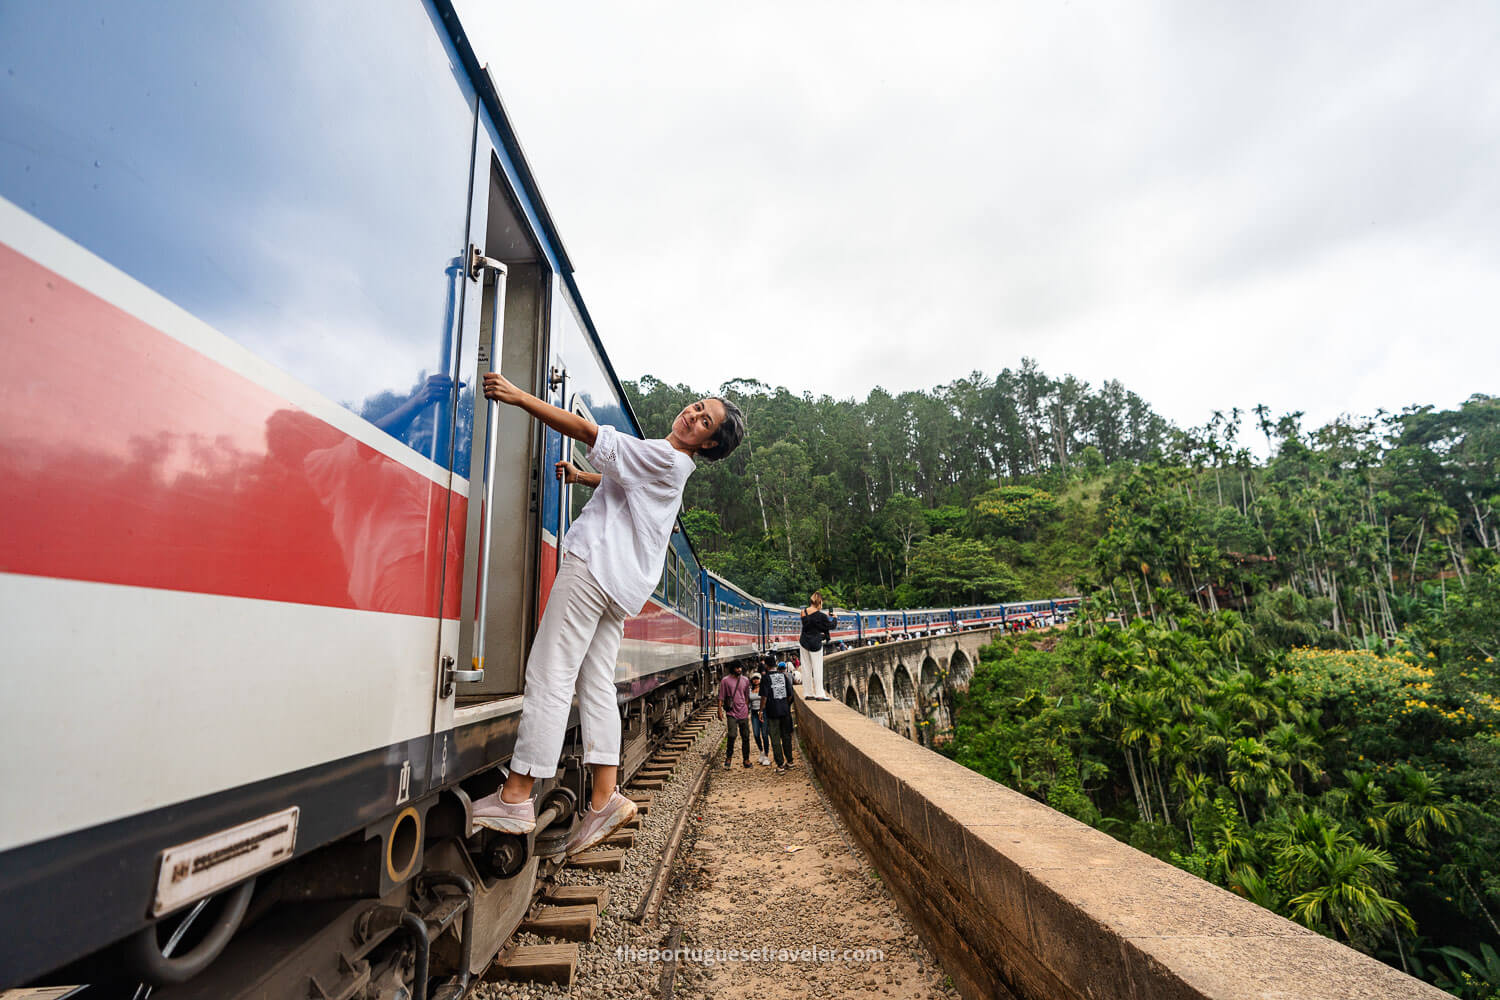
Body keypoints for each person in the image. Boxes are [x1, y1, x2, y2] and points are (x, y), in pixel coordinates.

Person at [468, 373, 745, 855]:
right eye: (698, 406)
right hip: (620, 586)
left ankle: (515, 795)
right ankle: (602, 798)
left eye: (706, 421)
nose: (693, 415)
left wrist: (518, 397)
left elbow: (585, 432)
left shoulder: (666, 455)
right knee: (595, 684)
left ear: (709, 442)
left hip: (594, 567)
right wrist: (584, 478)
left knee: (551, 674)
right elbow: (629, 484)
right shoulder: (672, 468)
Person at [798, 591, 836, 701]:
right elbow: (830, 626)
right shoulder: (821, 616)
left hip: (804, 641)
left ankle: (808, 693)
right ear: (819, 602)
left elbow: (809, 625)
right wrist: (835, 618)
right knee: (817, 668)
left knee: (806, 668)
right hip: (815, 642)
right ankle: (819, 693)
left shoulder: (803, 612)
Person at [761, 657, 795, 772]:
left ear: (766, 665)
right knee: (786, 736)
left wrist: (761, 710)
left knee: (775, 738)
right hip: (785, 711)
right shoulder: (783, 676)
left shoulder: (765, 678)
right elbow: (790, 694)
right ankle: (790, 762)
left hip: (772, 712)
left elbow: (764, 697)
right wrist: (785, 705)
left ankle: (780, 765)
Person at [717, 662, 752, 769]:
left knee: (745, 736)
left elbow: (746, 696)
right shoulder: (725, 680)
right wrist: (719, 710)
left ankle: (746, 759)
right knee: (732, 735)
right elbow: (721, 696)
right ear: (733, 669)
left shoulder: (745, 680)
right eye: (737, 668)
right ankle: (729, 757)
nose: (739, 670)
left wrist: (746, 708)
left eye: (740, 668)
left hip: (743, 712)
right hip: (731, 712)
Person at [748, 671, 770, 765]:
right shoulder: (749, 690)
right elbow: (747, 701)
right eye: (754, 679)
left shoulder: (764, 689)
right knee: (756, 734)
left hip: (763, 712)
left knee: (764, 734)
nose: (756, 680)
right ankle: (761, 751)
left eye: (757, 678)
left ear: (760, 680)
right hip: (754, 713)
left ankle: (766, 756)